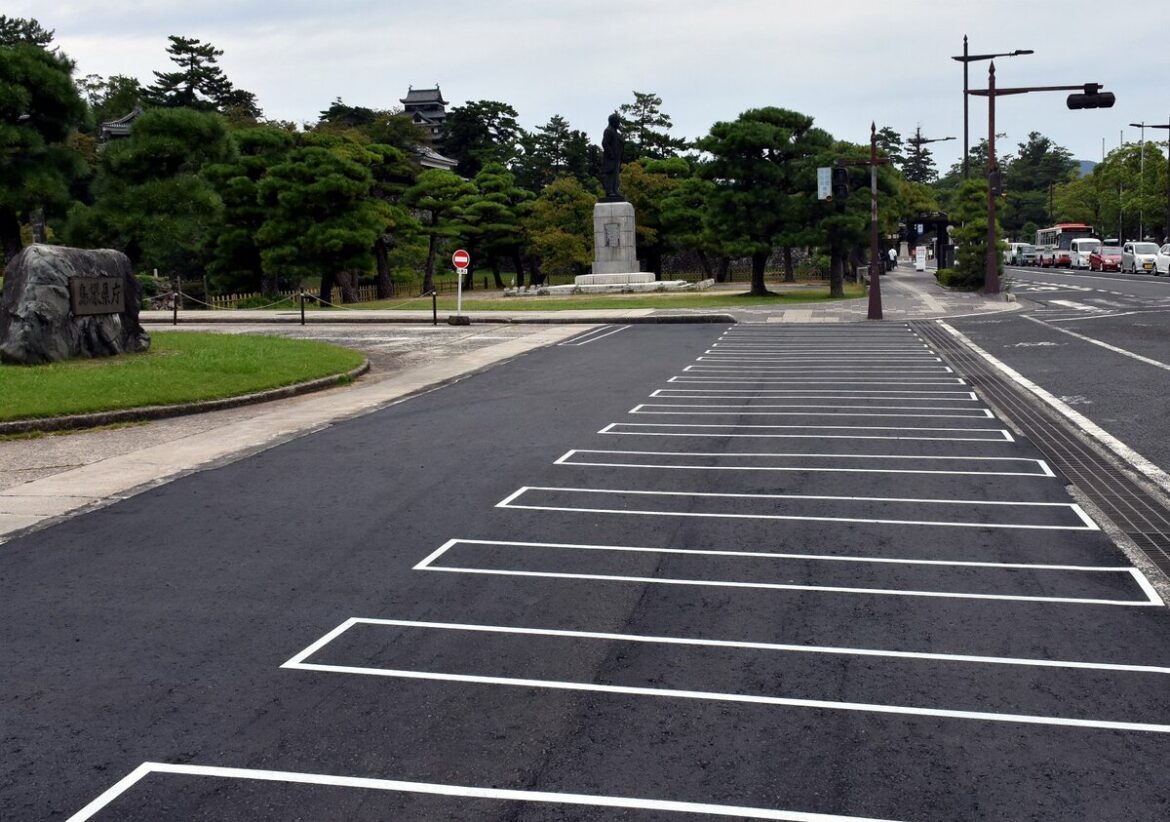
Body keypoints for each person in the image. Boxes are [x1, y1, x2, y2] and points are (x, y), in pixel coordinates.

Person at [601, 113, 624, 200]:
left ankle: (615, 190)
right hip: (610, 158)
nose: (619, 124)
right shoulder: (609, 131)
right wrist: (611, 153)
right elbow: (604, 143)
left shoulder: (615, 132)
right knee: (610, 174)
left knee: (615, 175)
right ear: (613, 122)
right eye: (618, 122)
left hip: (616, 158)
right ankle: (609, 191)